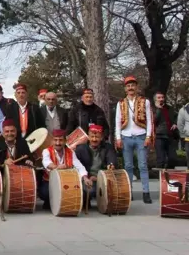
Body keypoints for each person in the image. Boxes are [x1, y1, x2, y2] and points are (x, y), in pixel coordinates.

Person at [115, 76, 153, 204]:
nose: (130, 87)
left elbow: (149, 120)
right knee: (128, 166)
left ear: (136, 87)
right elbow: (117, 122)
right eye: (128, 85)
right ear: (125, 89)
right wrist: (118, 137)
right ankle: (129, 191)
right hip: (126, 136)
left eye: (132, 85)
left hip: (141, 135)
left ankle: (146, 192)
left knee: (142, 165)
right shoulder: (120, 103)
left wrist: (148, 136)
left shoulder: (145, 101)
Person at [40, 129, 91, 210]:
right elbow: (46, 162)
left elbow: (79, 166)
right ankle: (49, 202)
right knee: (44, 193)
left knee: (82, 194)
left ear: (65, 141)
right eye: (55, 140)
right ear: (52, 141)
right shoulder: (46, 151)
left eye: (60, 140)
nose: (58, 143)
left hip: (67, 182)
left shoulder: (71, 152)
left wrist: (85, 177)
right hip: (49, 181)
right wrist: (57, 167)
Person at [74, 124, 117, 205]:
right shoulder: (80, 149)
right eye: (92, 136)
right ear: (88, 137)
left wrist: (111, 165)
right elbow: (76, 167)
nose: (94, 139)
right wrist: (86, 178)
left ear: (101, 137)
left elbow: (111, 159)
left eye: (97, 137)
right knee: (90, 191)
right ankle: (86, 201)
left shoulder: (108, 147)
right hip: (86, 179)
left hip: (102, 178)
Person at [153, 91, 178, 170]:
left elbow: (176, 117)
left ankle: (169, 174)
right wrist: (158, 109)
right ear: (155, 100)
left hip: (170, 135)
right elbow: (154, 121)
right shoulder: (153, 109)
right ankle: (160, 178)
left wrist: (175, 123)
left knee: (172, 158)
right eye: (159, 98)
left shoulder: (169, 108)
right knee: (161, 160)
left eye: (162, 97)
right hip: (159, 136)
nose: (161, 99)